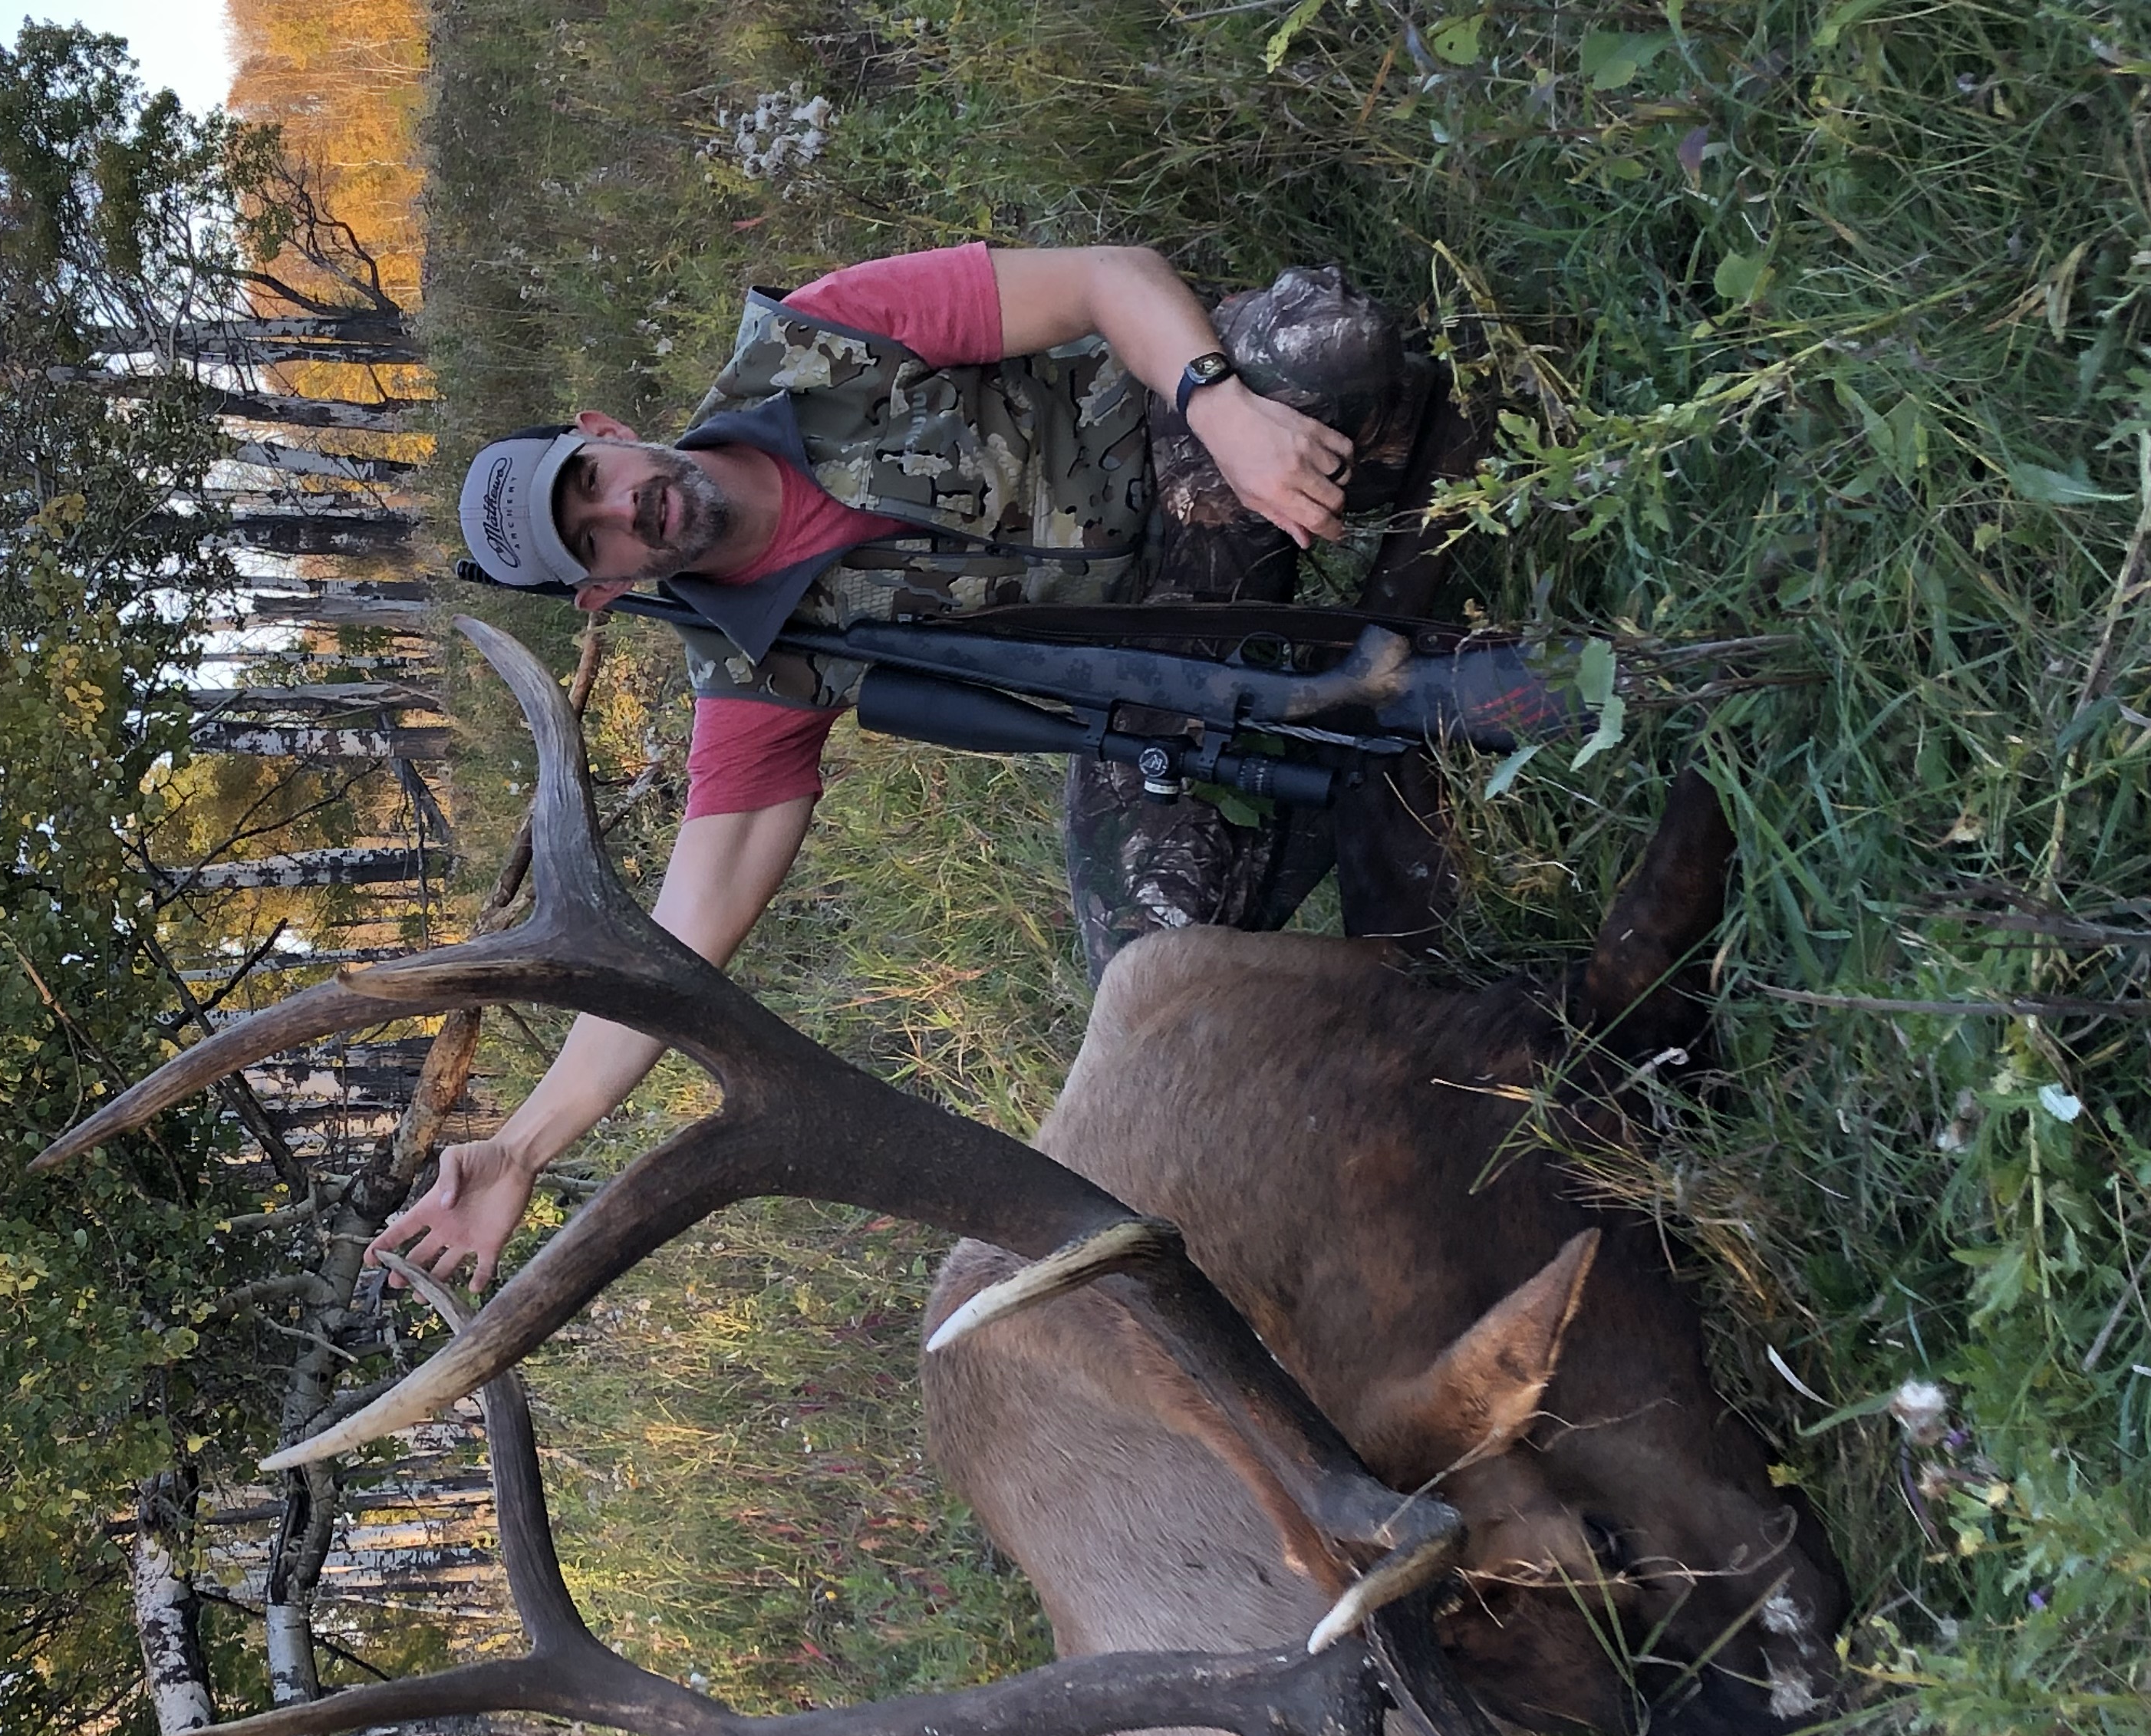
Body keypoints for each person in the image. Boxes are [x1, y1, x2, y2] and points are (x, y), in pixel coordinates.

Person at [377, 242, 1446, 1293]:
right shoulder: (761, 674)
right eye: (588, 541)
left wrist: (1219, 410)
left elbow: (1104, 278)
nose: (620, 511)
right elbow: (676, 942)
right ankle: (1380, 751)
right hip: (1173, 679)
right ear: (601, 595)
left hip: (1192, 465)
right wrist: (521, 1148)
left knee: (1318, 339)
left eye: (590, 481)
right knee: (1160, 979)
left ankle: (1390, 556)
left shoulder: (819, 343)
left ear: (605, 433)